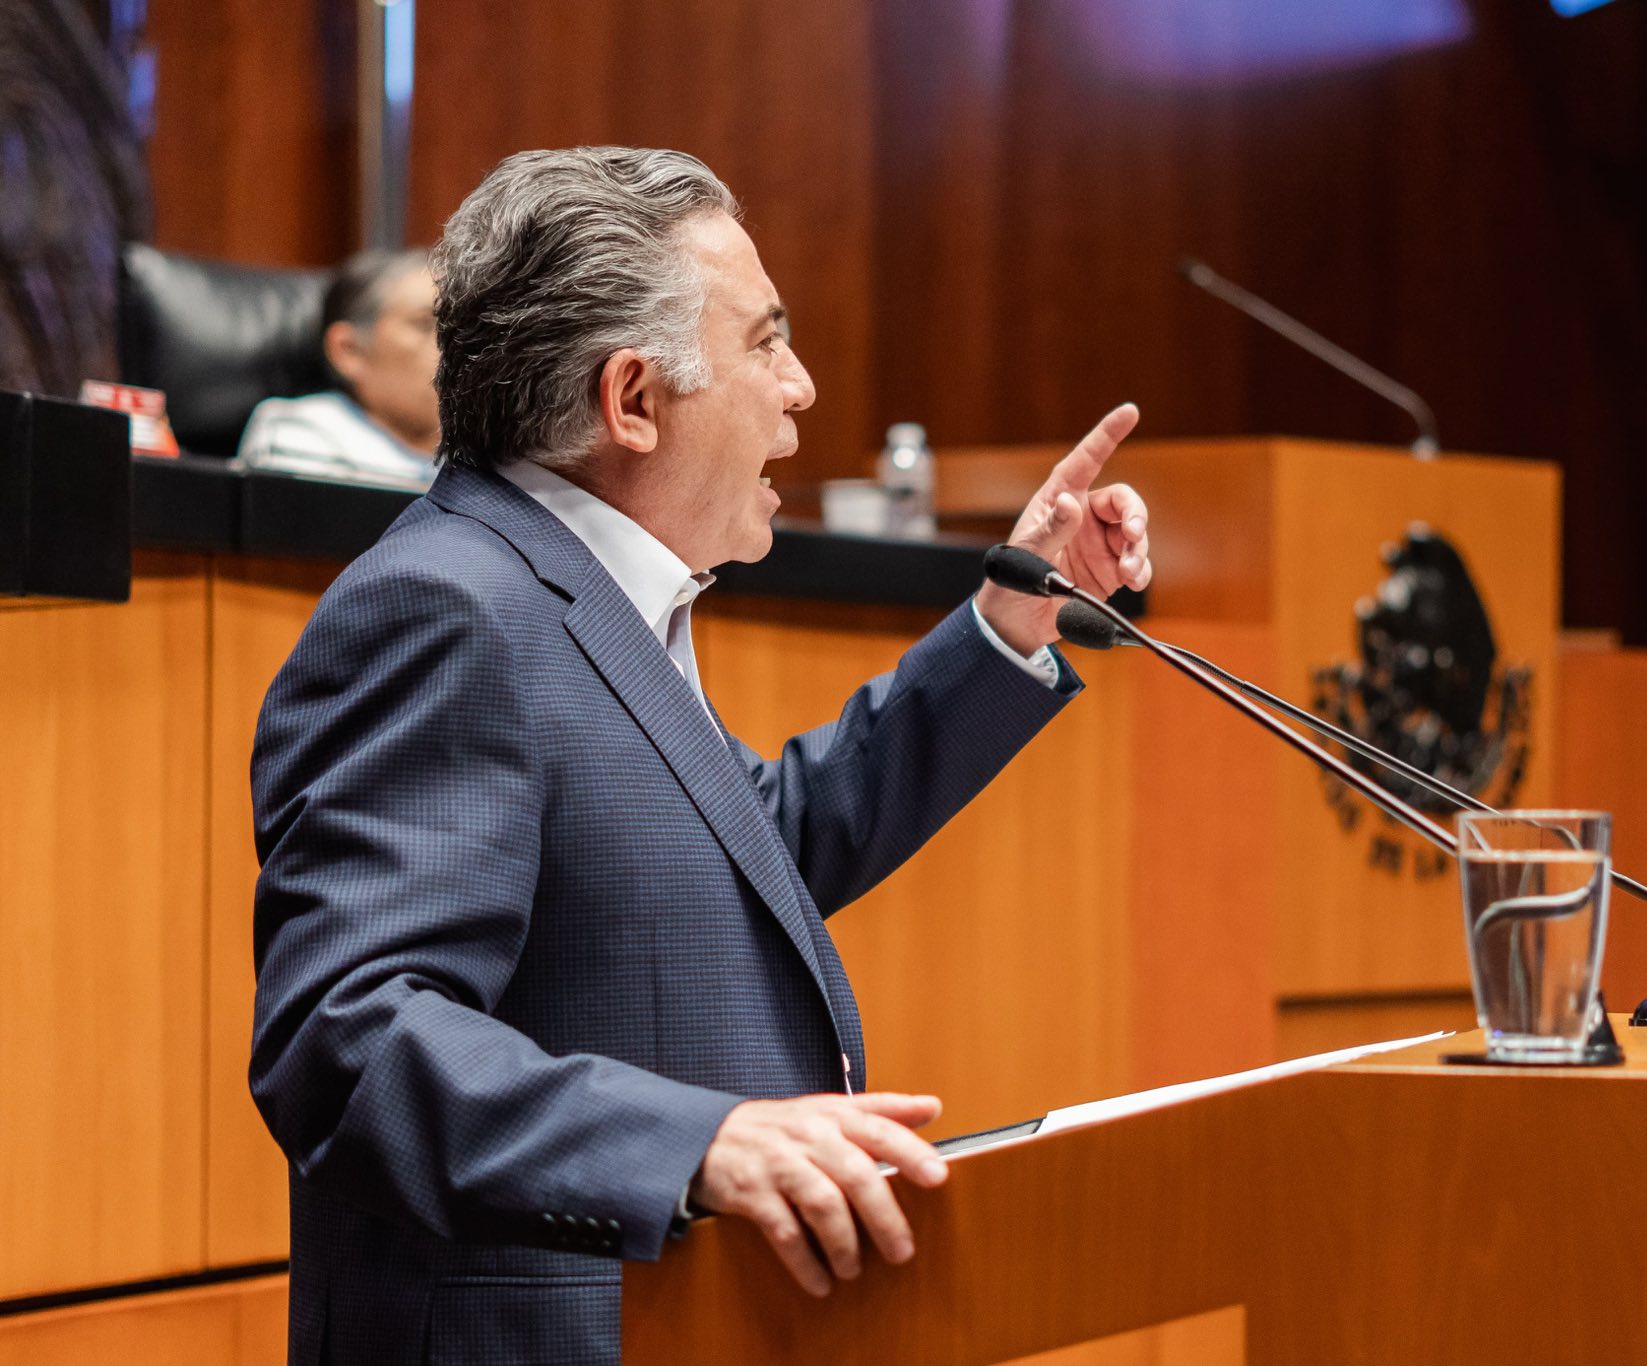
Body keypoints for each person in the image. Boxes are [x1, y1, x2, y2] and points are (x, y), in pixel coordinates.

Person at [246, 147, 1153, 1365]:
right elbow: (344, 1037)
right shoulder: (447, 608)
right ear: (633, 398)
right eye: (766, 343)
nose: (802, 388)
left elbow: (751, 842)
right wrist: (696, 1144)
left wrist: (1009, 621)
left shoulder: (580, 595)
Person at [235, 249, 441, 488]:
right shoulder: (301, 438)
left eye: (459, 324)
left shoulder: (478, 449)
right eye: (426, 324)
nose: (456, 343)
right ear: (349, 350)